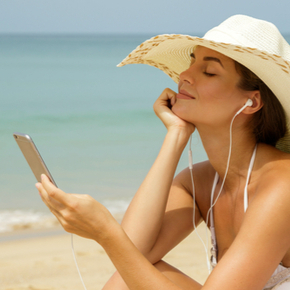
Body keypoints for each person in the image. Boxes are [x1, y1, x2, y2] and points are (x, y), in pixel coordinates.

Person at [36, 15, 290, 290]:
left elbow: (121, 247)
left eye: (209, 72)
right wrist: (176, 135)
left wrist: (105, 231)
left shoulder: (282, 184)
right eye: (192, 61)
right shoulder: (202, 181)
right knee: (130, 275)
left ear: (251, 101)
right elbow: (135, 250)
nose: (185, 75)